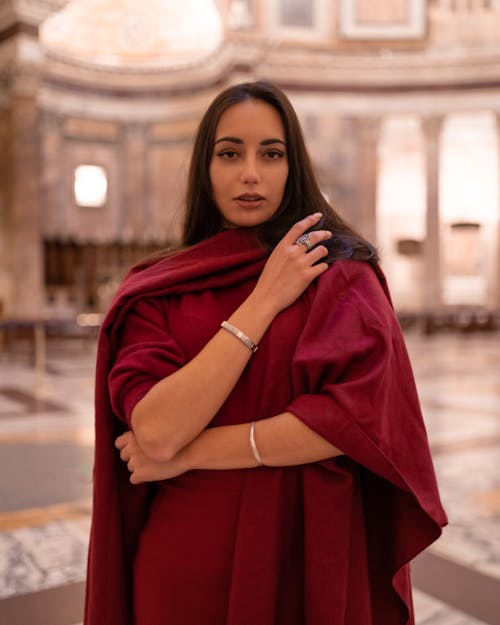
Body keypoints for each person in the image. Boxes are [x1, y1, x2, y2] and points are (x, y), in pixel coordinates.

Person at [84, 81, 447, 625]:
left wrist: (189, 453)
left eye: (271, 154)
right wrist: (265, 300)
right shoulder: (159, 286)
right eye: (229, 153)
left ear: (292, 165)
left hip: (306, 554)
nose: (250, 173)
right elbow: (155, 430)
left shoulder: (339, 270)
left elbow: (357, 422)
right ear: (205, 168)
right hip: (186, 563)